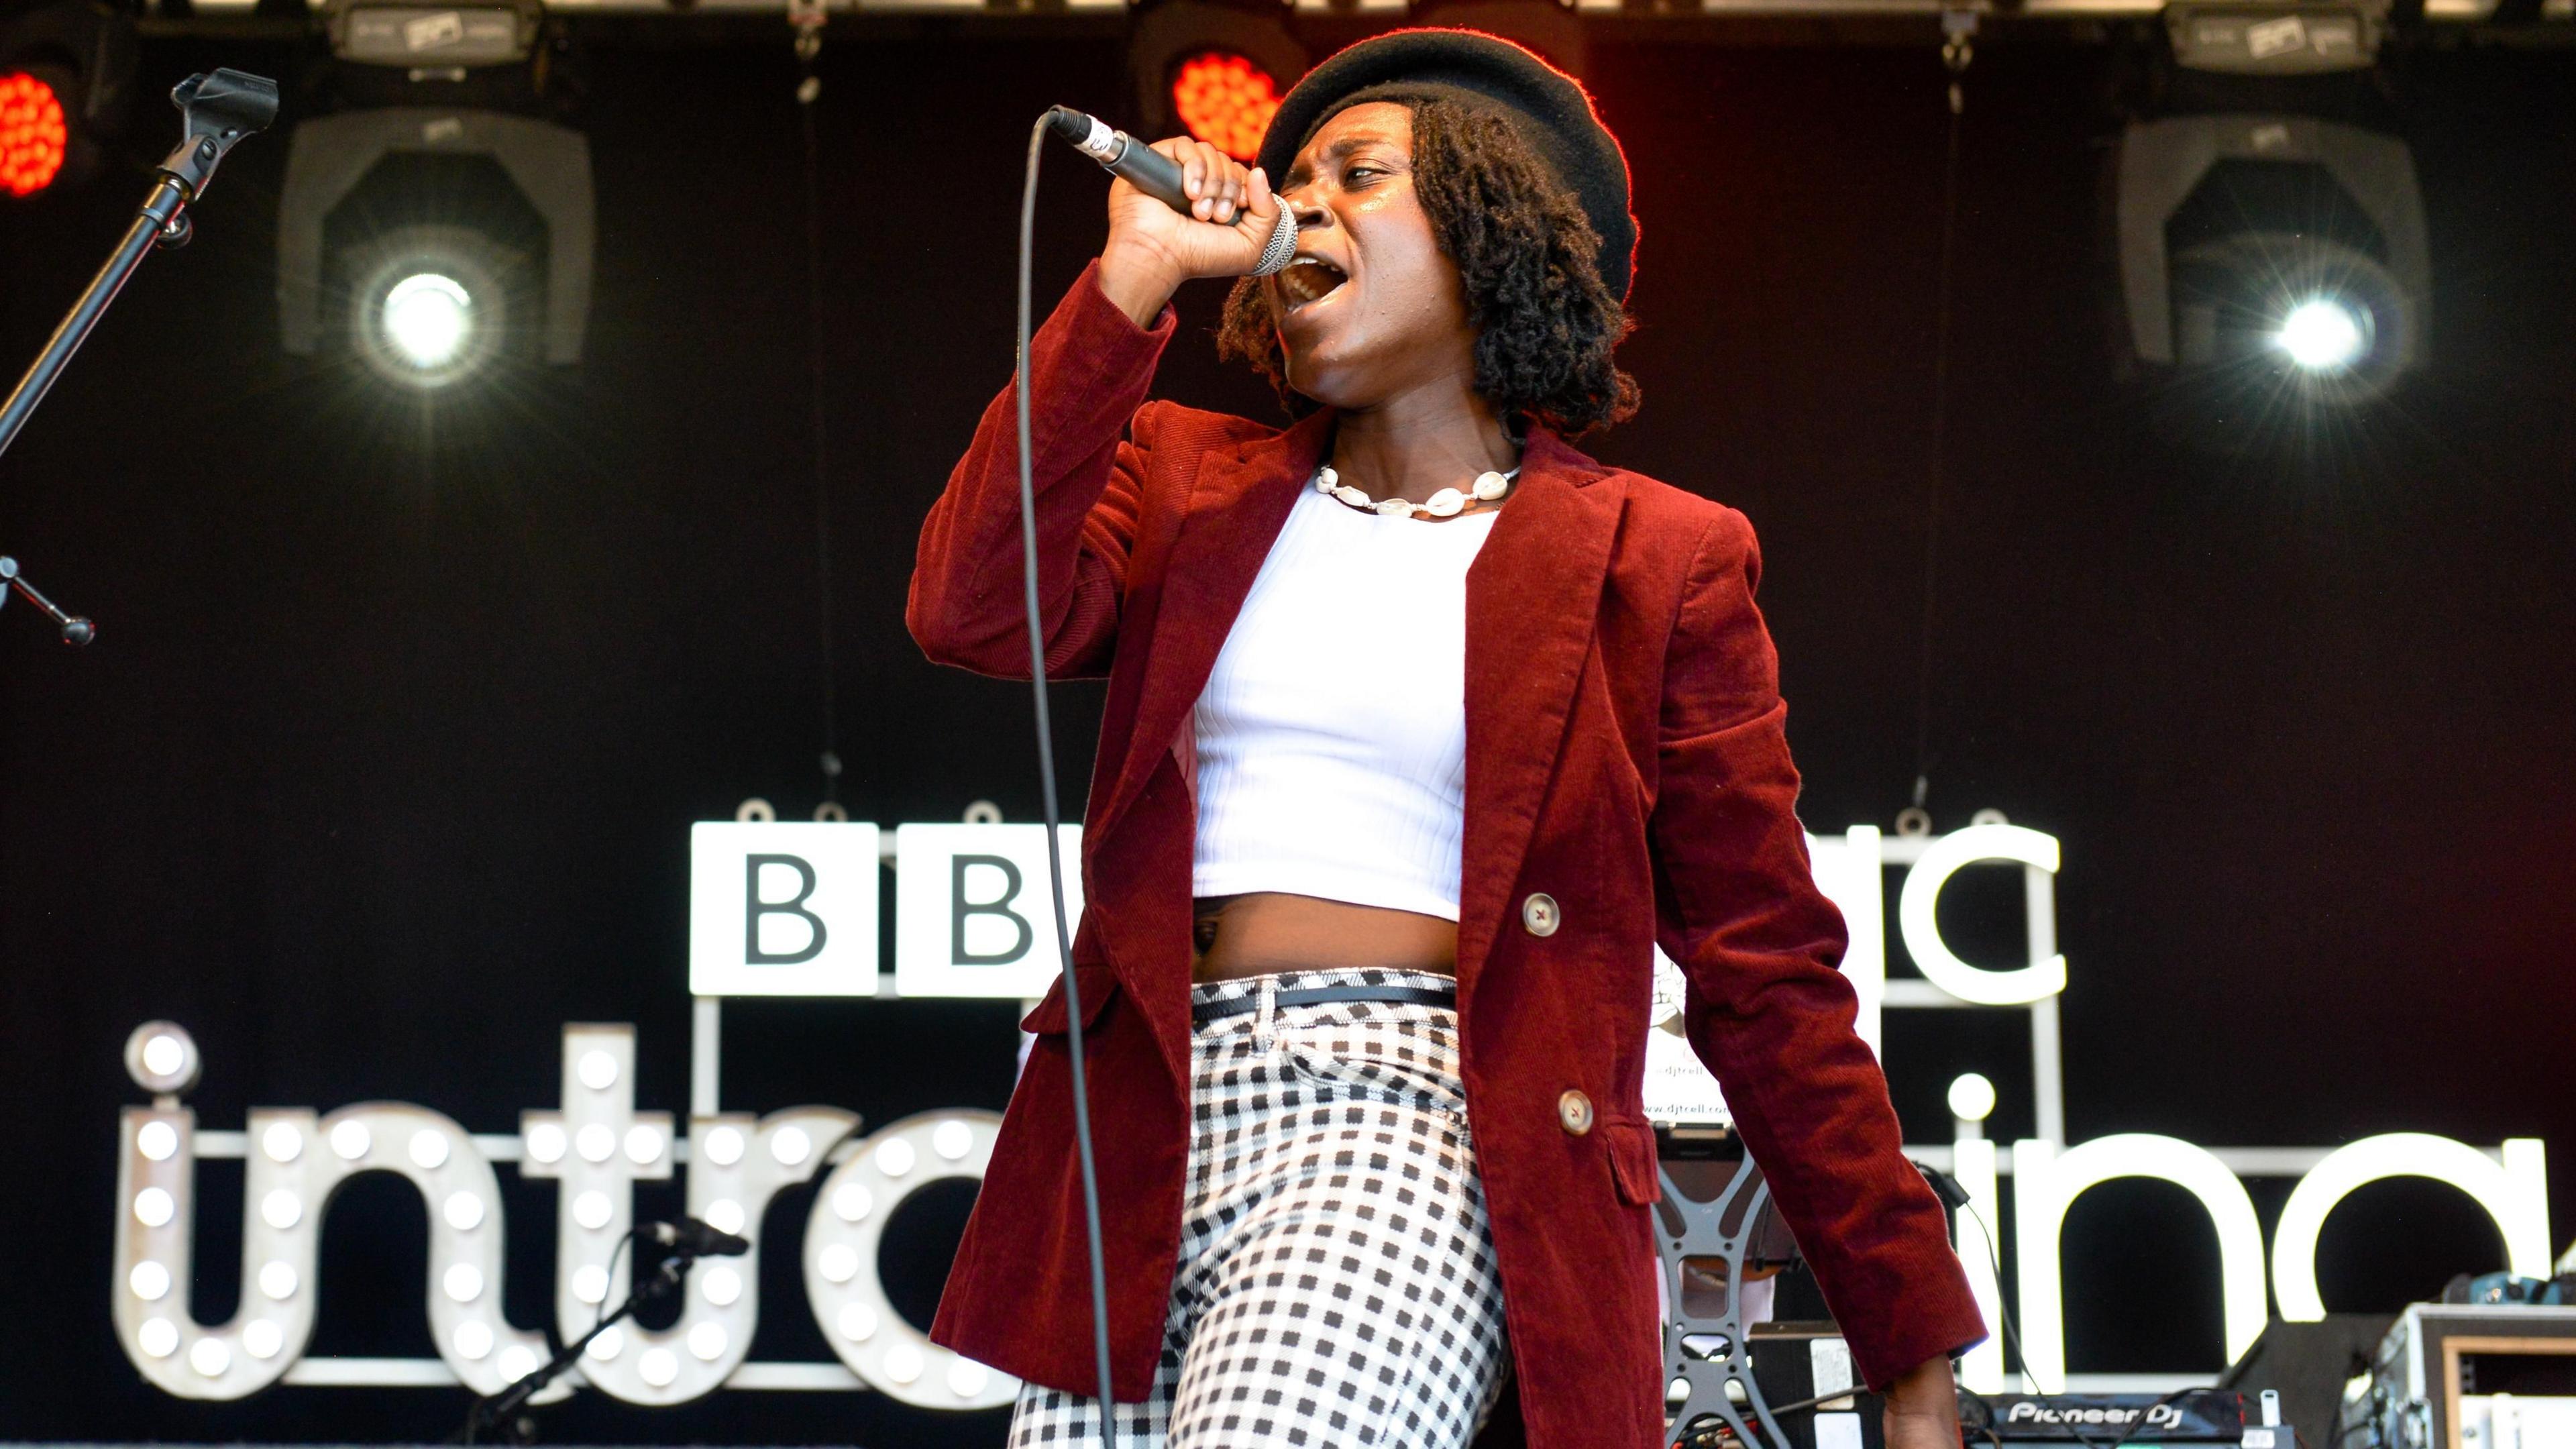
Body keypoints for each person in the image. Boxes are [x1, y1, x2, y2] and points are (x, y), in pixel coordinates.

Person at [907, 30, 1985, 1449]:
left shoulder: (1656, 557)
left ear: (1491, 236)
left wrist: (1907, 1335)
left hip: (1411, 1110)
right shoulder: (1186, 476)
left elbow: (1769, 973)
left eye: (1361, 174)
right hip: (1141, 1124)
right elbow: (970, 609)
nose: (1303, 206)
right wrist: (1130, 284)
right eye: (1292, 179)